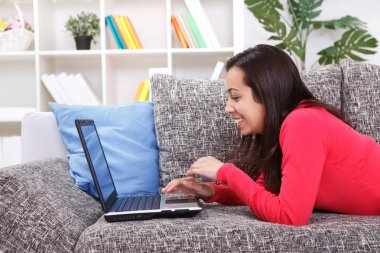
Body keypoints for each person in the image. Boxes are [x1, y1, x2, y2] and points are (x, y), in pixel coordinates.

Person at [162, 44, 380, 226]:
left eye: (236, 98)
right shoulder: (285, 128)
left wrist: (225, 171)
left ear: (267, 93)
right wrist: (210, 191)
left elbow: (290, 216)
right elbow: (264, 192)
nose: (228, 108)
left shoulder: (302, 122)